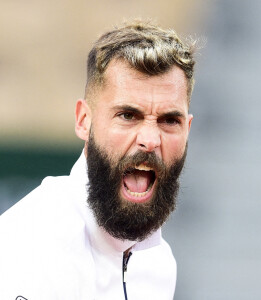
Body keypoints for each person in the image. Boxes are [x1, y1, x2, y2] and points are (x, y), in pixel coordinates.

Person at [0, 20, 195, 300]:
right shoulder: (28, 245)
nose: (150, 139)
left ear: (188, 129)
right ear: (84, 121)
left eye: (169, 120)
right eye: (128, 115)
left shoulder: (160, 264)